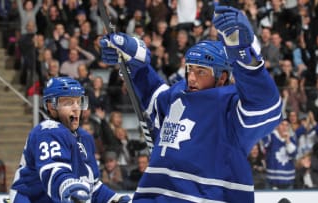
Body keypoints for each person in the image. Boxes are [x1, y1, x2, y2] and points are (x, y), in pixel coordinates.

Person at [100, 5, 282, 203]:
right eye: (190, 70)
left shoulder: (230, 106)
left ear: (222, 77)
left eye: (201, 71)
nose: (192, 79)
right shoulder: (178, 94)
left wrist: (246, 59)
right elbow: (154, 95)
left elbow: (266, 107)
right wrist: (136, 63)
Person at [10, 77, 130, 203]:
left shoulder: (85, 137)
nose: (76, 108)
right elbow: (53, 172)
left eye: (79, 101)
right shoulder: (47, 131)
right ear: (51, 107)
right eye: (68, 102)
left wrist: (111, 198)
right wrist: (67, 185)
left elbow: (91, 184)